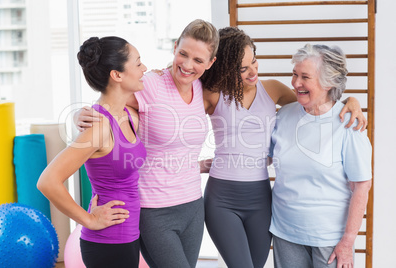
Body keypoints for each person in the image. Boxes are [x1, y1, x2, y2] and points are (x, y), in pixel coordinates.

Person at [199, 27, 367, 268]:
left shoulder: (275, 91)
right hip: (242, 208)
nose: (253, 71)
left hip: (266, 203)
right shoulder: (216, 95)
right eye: (242, 68)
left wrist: (351, 101)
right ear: (225, 68)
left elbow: (317, 105)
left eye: (254, 61)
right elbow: (175, 104)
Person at [75, 19, 219, 268]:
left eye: (198, 60)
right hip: (154, 209)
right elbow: (109, 98)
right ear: (175, 47)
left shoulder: (202, 89)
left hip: (194, 205)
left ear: (210, 63)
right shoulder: (149, 84)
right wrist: (81, 113)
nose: (187, 65)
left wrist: (201, 164)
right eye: (183, 54)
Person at [37, 36, 147, 268]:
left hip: (128, 237)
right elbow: (48, 181)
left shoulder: (128, 114)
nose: (144, 68)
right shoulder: (98, 127)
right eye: (138, 63)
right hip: (107, 242)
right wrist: (89, 220)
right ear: (117, 75)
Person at [269, 44, 372, 268]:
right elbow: (262, 158)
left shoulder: (348, 124)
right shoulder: (283, 116)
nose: (296, 83)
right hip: (285, 233)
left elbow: (362, 186)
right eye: (294, 74)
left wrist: (348, 241)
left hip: (330, 240)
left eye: (305, 77)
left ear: (329, 83)